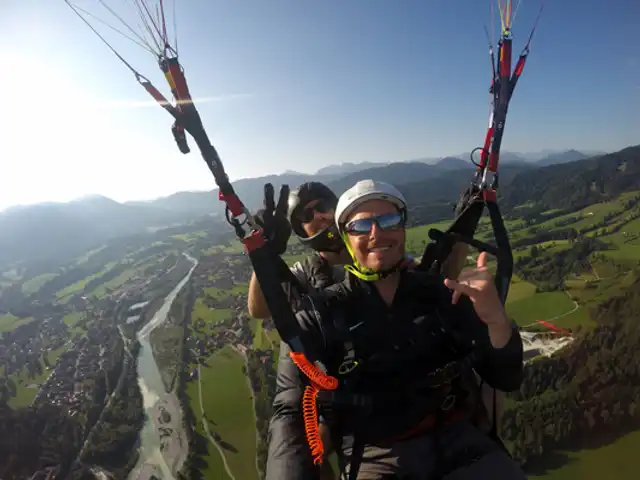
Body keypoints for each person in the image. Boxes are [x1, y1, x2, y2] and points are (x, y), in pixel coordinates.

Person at [267, 179, 525, 480]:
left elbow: (506, 377)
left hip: (461, 445)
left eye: (388, 220)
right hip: (376, 455)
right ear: (346, 238)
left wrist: (496, 321)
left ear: (402, 228)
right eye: (362, 227)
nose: (377, 233)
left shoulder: (441, 295)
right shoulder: (317, 315)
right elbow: (289, 411)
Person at [248, 181, 351, 480]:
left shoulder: (370, 249)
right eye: (307, 215)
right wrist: (263, 259)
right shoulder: (302, 275)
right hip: (330, 393)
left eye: (322, 206)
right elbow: (259, 309)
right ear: (300, 230)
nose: (319, 216)